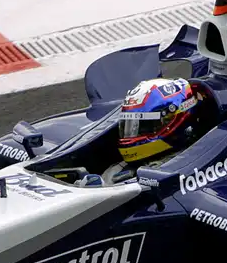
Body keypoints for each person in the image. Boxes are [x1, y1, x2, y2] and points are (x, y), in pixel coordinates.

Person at [77, 77, 216, 186]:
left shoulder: (198, 162)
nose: (131, 133)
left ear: (172, 120)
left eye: (142, 126)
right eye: (129, 125)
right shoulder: (117, 172)